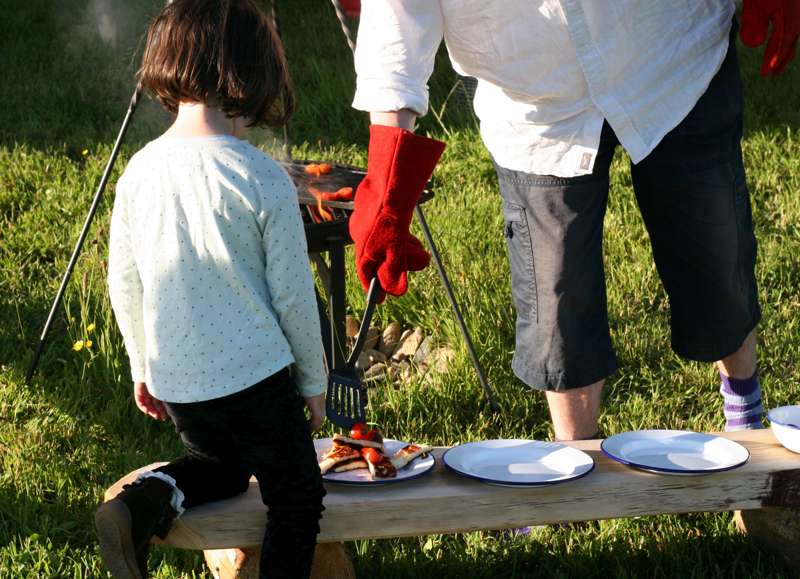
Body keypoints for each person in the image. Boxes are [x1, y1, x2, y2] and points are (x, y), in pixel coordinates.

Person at [348, 0, 799, 441]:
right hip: (536, 104)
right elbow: (395, 26)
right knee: (557, 302)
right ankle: (576, 464)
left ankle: (745, 414)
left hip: (670, 55)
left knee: (716, 258)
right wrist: (388, 181)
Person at [95, 1, 327, 577]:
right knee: (297, 497)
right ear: (251, 74)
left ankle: (140, 505)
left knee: (218, 469)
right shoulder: (262, 177)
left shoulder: (139, 171)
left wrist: (141, 365)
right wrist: (314, 384)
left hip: (180, 380)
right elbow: (294, 297)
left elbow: (124, 280)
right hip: (257, 377)